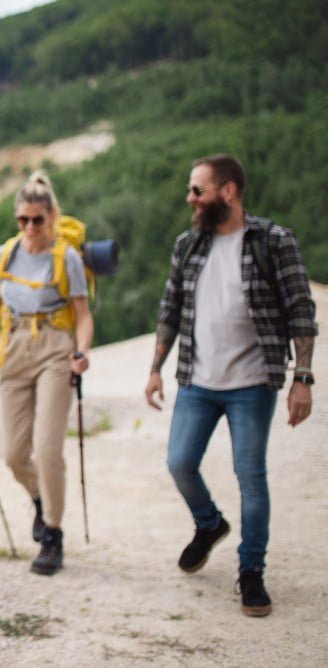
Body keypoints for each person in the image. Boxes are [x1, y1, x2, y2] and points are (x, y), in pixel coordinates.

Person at [144, 154, 317, 617]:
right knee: (180, 463)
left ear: (228, 191)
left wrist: (302, 378)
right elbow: (170, 309)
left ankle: (251, 571)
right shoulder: (189, 245)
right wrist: (156, 367)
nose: (190, 198)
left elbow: (301, 309)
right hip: (197, 381)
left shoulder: (273, 242)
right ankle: (209, 524)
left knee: (251, 478)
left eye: (197, 190)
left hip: (253, 383)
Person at [0, 170, 93, 576]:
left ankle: (52, 533)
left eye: (37, 220)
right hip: (12, 351)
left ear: (51, 217)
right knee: (12, 452)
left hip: (55, 348)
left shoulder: (68, 259)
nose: (29, 227)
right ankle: (41, 500)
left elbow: (83, 316)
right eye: (22, 220)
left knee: (47, 449)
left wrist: (82, 352)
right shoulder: (4, 255)